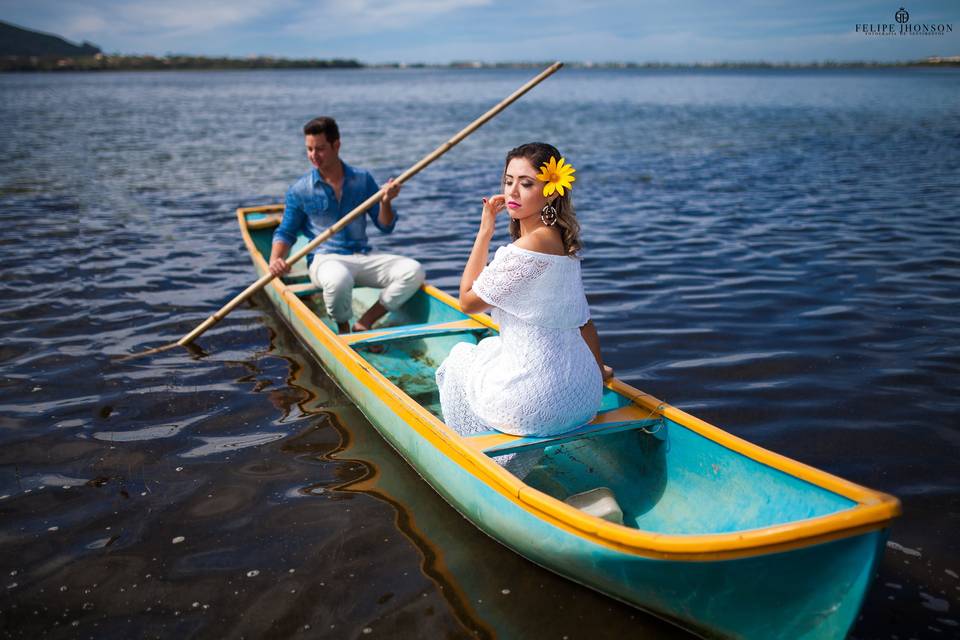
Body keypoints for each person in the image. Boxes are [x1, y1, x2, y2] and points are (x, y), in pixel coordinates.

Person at [435, 142, 613, 474]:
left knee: (459, 358)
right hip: (582, 396)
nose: (513, 191)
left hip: (537, 403)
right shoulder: (562, 244)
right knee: (490, 347)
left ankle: (486, 462)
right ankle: (515, 451)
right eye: (508, 181)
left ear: (549, 192)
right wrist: (598, 372)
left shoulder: (524, 250)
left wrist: (485, 230)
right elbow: (585, 323)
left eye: (527, 183)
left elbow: (467, 301)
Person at [269, 117, 425, 334]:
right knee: (338, 280)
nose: (314, 156)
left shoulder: (362, 180)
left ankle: (365, 323)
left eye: (320, 149)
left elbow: (385, 226)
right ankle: (343, 330)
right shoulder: (300, 189)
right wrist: (276, 260)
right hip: (325, 260)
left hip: (362, 255)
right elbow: (286, 232)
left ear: (336, 145)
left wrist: (386, 201)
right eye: (310, 149)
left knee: (413, 271)